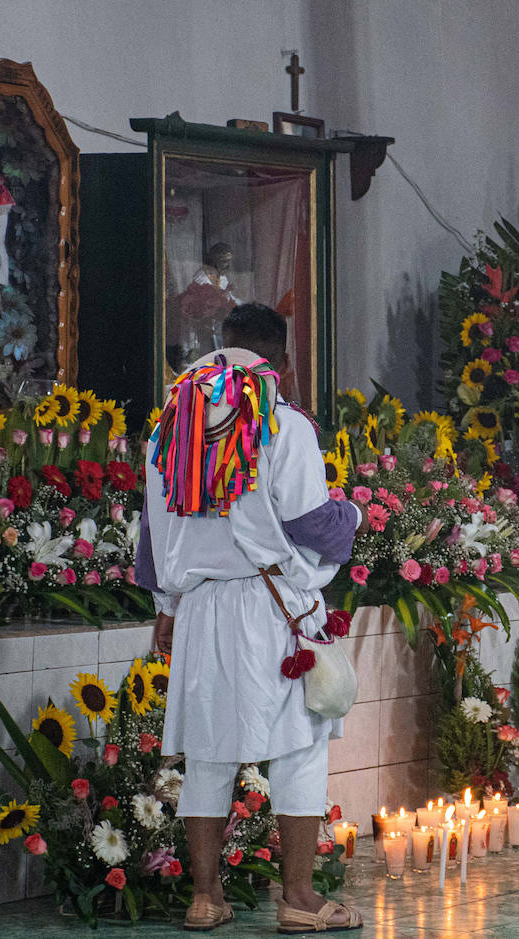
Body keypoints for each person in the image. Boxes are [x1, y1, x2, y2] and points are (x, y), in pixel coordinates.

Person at [136, 302, 368, 931]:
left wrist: (166, 607)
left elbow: (152, 537)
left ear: (221, 346)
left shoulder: (171, 422)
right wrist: (354, 516)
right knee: (299, 750)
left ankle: (205, 898)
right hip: (271, 606)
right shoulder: (282, 424)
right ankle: (298, 899)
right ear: (283, 363)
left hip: (202, 604)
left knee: (208, 756)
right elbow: (307, 522)